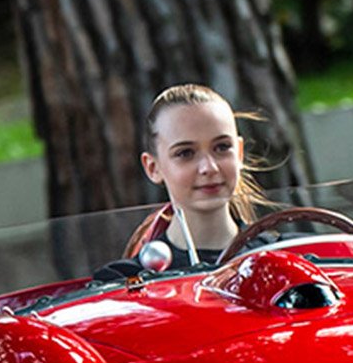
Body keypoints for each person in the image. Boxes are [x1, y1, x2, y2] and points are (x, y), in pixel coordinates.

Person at [97, 84, 271, 280]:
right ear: (153, 168)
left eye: (222, 147)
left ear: (239, 153)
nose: (209, 168)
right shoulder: (124, 281)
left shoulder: (283, 254)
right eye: (185, 153)